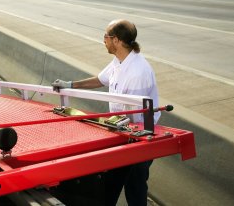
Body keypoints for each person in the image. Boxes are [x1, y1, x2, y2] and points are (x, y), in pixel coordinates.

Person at [52, 19, 160, 206]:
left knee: (135, 185)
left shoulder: (138, 71)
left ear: (116, 40)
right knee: (114, 180)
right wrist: (70, 85)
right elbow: (101, 80)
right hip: (121, 131)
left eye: (106, 36)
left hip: (139, 136)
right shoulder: (119, 61)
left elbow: (134, 116)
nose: (103, 40)